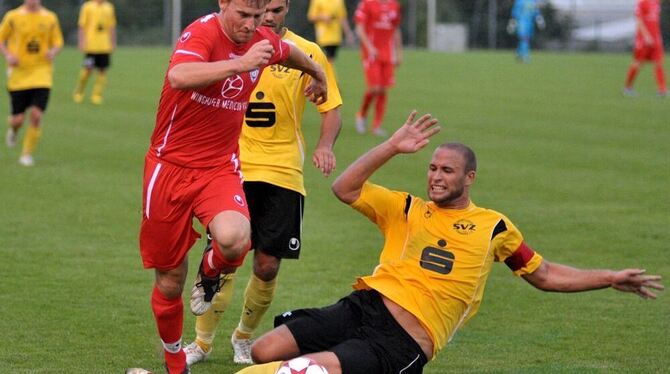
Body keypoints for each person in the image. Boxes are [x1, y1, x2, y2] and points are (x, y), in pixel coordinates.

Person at [235, 111, 664, 374]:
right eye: (433, 168)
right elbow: (345, 188)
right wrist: (391, 146)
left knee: (295, 372)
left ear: (469, 178)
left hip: (401, 341)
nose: (436, 177)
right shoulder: (406, 208)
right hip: (362, 307)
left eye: (447, 171)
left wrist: (609, 277)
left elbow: (545, 275)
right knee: (263, 351)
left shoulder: (494, 227)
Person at [136, 0, 328, 373]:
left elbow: (290, 52)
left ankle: (211, 272)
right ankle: (175, 359)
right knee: (170, 281)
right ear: (223, 3)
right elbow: (179, 75)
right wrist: (241, 64)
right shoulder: (203, 32)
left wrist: (317, 72)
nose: (250, 24)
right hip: (168, 167)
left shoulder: (260, 38)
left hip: (219, 168)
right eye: (242, 14)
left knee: (236, 238)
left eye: (257, 18)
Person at [182, 0, 343, 366]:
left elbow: (331, 108)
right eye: (260, 10)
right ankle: (202, 343)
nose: (267, 17)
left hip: (283, 170)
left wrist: (324, 144)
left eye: (275, 9)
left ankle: (243, 338)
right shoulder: (227, 47)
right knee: (226, 254)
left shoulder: (307, 53)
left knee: (268, 264)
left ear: (287, 8)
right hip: (230, 168)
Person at [0, 0, 63, 167]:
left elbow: (58, 42)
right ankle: (13, 130)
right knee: (18, 119)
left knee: (36, 114)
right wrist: (7, 55)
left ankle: (26, 154)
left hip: (42, 73)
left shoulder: (50, 17)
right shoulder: (13, 16)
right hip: (19, 74)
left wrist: (53, 52)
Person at [353, 0, 402, 138]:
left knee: (383, 89)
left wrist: (399, 52)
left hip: (388, 53)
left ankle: (376, 126)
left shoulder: (394, 5)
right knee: (374, 88)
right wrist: (369, 47)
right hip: (372, 53)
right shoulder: (367, 4)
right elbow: (359, 28)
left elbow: (396, 29)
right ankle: (361, 115)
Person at [72, 0, 117, 105]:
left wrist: (113, 42)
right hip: (91, 46)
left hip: (104, 46)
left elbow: (112, 26)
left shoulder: (109, 7)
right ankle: (79, 90)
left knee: (102, 70)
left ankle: (97, 94)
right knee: (88, 69)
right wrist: (81, 41)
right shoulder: (87, 6)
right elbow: (82, 26)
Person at [623, 0, 666, 97]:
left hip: (656, 38)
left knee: (658, 62)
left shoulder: (656, 2)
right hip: (643, 39)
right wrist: (646, 36)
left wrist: (657, 35)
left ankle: (662, 90)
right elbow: (639, 20)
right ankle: (627, 87)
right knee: (637, 63)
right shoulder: (641, 2)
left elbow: (655, 20)